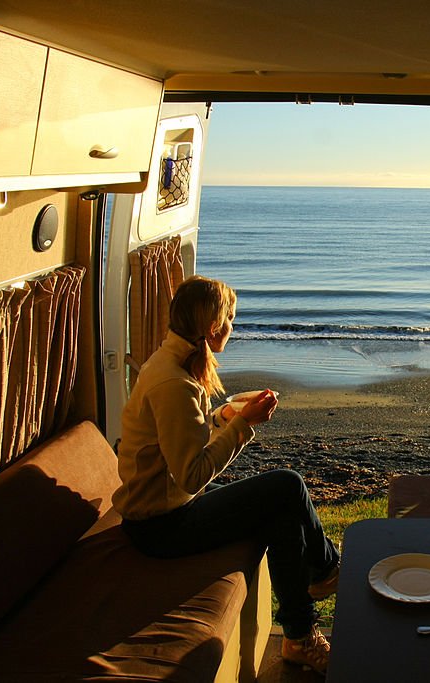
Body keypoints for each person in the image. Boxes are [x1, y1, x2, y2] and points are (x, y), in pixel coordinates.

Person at [113, 275, 340, 674]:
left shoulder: (172, 362)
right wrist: (243, 425)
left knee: (281, 512)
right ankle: (325, 572)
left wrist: (222, 417)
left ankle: (299, 636)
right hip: (161, 526)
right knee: (288, 484)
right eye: (231, 319)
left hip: (169, 505)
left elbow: (181, 440)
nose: (234, 327)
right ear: (214, 327)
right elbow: (190, 475)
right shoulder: (173, 382)